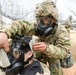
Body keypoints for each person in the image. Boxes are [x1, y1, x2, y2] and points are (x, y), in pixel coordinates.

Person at [0, 0, 71, 75]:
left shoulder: (61, 32)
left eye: (45, 19)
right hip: (40, 54)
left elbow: (63, 52)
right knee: (38, 68)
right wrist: (4, 33)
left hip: (54, 56)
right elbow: (20, 25)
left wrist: (47, 48)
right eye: (39, 19)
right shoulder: (36, 26)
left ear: (53, 19)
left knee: (55, 70)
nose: (41, 23)